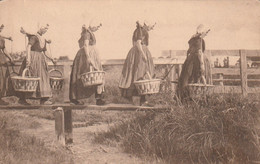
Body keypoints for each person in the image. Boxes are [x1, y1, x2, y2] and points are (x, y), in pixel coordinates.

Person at [119, 21, 155, 105]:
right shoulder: (141, 31)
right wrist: (143, 55)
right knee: (140, 74)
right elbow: (138, 43)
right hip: (140, 53)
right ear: (146, 24)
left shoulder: (139, 30)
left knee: (139, 74)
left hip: (138, 52)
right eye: (151, 26)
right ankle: (142, 100)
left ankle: (140, 99)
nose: (152, 28)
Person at [18, 24, 55, 105]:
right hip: (32, 58)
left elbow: (45, 51)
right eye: (44, 27)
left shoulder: (43, 39)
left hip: (40, 60)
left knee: (43, 77)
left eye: (47, 29)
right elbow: (28, 47)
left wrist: (52, 59)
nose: (45, 30)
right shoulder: (34, 37)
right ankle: (22, 99)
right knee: (30, 76)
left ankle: (43, 99)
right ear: (39, 27)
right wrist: (28, 59)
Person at [69, 22, 105, 105]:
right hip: (86, 55)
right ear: (91, 24)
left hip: (92, 54)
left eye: (99, 27)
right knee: (84, 75)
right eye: (97, 25)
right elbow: (85, 45)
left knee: (96, 75)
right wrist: (88, 58)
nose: (97, 28)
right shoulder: (87, 33)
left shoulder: (90, 33)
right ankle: (75, 98)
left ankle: (99, 97)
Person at [177, 24, 212, 100]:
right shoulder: (200, 41)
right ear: (202, 33)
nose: (206, 34)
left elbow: (188, 51)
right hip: (197, 61)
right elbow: (200, 53)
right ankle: (199, 96)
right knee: (198, 77)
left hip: (189, 61)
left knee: (186, 77)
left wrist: (187, 61)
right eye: (205, 33)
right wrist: (202, 65)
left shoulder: (192, 39)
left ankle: (183, 96)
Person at [0, 24, 15, 105]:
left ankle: (0, 98)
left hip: (1, 59)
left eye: (1, 28)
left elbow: (4, 49)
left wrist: (10, 58)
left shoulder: (2, 39)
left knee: (2, 78)